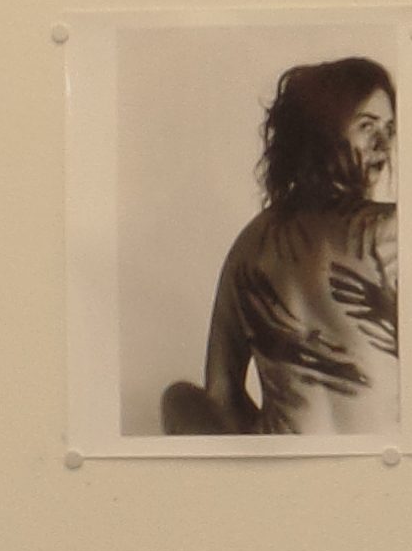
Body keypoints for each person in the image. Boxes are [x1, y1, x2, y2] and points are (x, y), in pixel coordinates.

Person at [161, 57, 397, 438]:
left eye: (389, 128)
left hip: (283, 456)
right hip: (379, 457)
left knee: (178, 399)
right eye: (366, 126)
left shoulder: (248, 246)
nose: (384, 144)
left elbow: (221, 397)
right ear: (321, 133)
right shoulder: (390, 233)